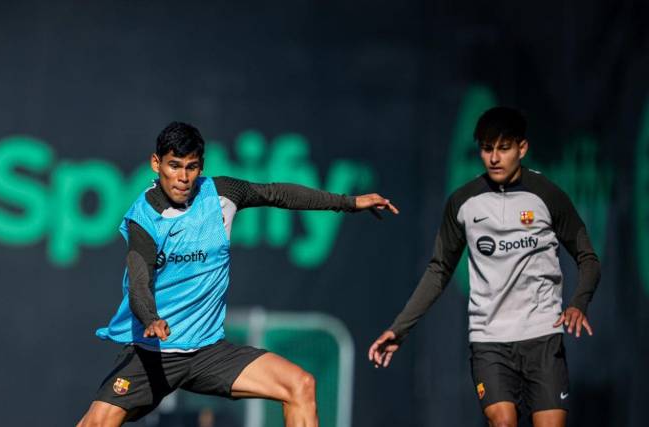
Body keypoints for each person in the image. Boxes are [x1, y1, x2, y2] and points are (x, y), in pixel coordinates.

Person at [77, 122, 399, 427]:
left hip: (207, 353)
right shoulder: (144, 218)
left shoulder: (221, 194)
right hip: (153, 353)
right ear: (156, 164)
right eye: (174, 165)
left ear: (201, 166)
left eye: (191, 167)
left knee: (300, 385)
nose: (182, 177)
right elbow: (139, 283)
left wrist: (349, 202)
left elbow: (277, 194)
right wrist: (151, 319)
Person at [367, 107, 601, 427]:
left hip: (543, 336)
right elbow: (439, 271)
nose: (494, 158)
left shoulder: (548, 195)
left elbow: (588, 257)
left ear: (522, 148)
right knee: (502, 421)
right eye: (487, 148)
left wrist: (578, 302)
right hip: (490, 340)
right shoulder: (463, 202)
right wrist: (399, 328)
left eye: (503, 148)